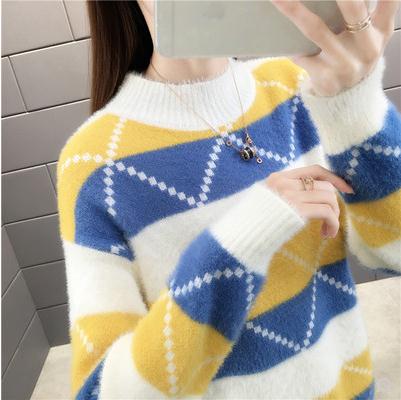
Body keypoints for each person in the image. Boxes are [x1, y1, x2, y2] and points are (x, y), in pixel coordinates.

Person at [56, 1, 401, 399]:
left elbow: (393, 252)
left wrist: (355, 106)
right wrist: (240, 242)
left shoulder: (298, 84)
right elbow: (99, 392)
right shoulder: (93, 163)